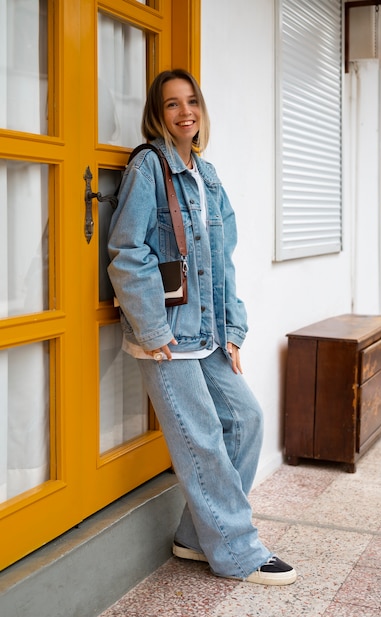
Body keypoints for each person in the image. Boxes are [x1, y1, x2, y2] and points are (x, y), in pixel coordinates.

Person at [107, 69, 297, 586]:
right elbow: (127, 251)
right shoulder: (149, 167)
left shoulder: (208, 176)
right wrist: (152, 327)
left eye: (191, 102)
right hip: (167, 339)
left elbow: (223, 260)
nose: (184, 112)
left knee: (247, 419)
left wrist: (233, 331)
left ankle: (194, 536)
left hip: (208, 334)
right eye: (172, 104)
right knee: (206, 437)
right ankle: (237, 552)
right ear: (158, 114)